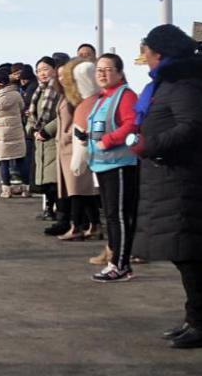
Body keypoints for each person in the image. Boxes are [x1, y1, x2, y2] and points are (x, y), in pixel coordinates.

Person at [132, 24, 202, 348]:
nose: (143, 57)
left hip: (186, 179)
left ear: (160, 53)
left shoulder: (183, 85)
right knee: (183, 253)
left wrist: (150, 144)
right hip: (173, 177)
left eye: (146, 51)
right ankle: (194, 320)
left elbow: (193, 127)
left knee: (188, 254)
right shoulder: (170, 84)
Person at [77, 53, 139, 282]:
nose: (102, 74)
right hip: (103, 164)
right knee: (112, 215)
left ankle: (121, 264)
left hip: (120, 163)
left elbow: (132, 124)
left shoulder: (125, 96)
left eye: (108, 69)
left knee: (120, 216)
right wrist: (86, 137)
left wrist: (109, 140)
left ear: (120, 73)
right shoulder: (104, 97)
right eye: (99, 70)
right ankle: (116, 260)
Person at [51, 59, 102, 242]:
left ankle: (76, 226)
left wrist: (67, 134)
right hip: (66, 148)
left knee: (78, 190)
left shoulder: (78, 97)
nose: (62, 79)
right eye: (60, 76)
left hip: (75, 146)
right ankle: (94, 225)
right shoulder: (66, 95)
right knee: (80, 191)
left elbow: (82, 121)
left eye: (66, 75)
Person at [0, 64, 28, 197]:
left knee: (4, 162)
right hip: (16, 131)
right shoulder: (15, 94)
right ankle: (25, 189)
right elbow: (21, 107)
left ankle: (6, 190)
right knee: (21, 160)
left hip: (1, 134)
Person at [27, 58, 61, 220]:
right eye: (39, 70)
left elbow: (63, 115)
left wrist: (46, 131)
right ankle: (49, 208)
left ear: (55, 69)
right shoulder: (39, 91)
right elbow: (32, 115)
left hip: (54, 140)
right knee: (46, 180)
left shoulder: (60, 90)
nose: (42, 73)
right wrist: (31, 130)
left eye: (45, 69)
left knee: (54, 179)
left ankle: (57, 211)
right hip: (40, 141)